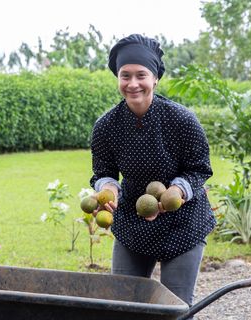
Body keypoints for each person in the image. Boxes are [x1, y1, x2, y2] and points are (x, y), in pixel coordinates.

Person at [89, 34, 216, 315]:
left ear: (155, 77)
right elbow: (103, 172)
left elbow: (199, 169)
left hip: (183, 223)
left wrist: (177, 192)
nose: (132, 83)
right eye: (125, 75)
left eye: (141, 75)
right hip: (132, 223)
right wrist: (108, 190)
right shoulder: (106, 126)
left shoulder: (182, 120)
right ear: (118, 78)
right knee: (124, 304)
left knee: (176, 308)